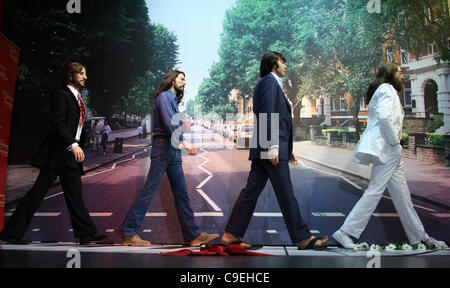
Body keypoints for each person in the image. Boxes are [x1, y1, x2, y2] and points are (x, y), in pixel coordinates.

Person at [332, 63, 447, 250]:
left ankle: (419, 237)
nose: (401, 74)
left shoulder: (384, 89)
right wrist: (396, 141)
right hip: (388, 148)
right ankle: (345, 232)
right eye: (399, 72)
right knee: (375, 191)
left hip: (390, 150)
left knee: (403, 197)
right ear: (391, 74)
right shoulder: (387, 89)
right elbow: (385, 117)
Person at [220, 52, 329, 250]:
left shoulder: (271, 84)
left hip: (269, 145)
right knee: (285, 191)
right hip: (270, 147)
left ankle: (230, 234)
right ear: (273, 64)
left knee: (251, 191)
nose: (286, 66)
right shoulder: (270, 82)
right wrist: (272, 146)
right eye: (283, 62)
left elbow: (271, 115)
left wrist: (286, 148)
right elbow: (267, 113)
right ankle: (303, 237)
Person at [0, 63, 108, 245]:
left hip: (69, 156)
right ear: (70, 75)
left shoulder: (77, 98)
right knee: (38, 193)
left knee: (75, 194)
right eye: (82, 73)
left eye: (85, 74)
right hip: (59, 153)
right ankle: (11, 233)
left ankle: (86, 234)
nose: (85, 77)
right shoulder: (61, 95)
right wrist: (73, 145)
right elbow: (58, 123)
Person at [120, 70, 219, 246]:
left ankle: (192, 235)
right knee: (149, 191)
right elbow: (168, 123)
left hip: (171, 150)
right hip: (164, 147)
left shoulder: (172, 100)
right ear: (172, 81)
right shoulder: (165, 97)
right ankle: (129, 232)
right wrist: (185, 143)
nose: (185, 82)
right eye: (182, 79)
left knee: (182, 193)